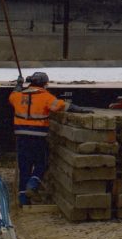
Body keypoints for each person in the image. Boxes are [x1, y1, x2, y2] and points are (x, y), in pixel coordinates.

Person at [8, 71, 85, 205]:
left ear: (31, 82)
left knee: (24, 167)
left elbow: (12, 97)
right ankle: (33, 183)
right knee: (41, 163)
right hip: (38, 137)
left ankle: (23, 200)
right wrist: (79, 109)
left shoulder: (18, 96)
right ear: (44, 84)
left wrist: (19, 84)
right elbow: (62, 105)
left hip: (21, 138)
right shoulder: (46, 97)